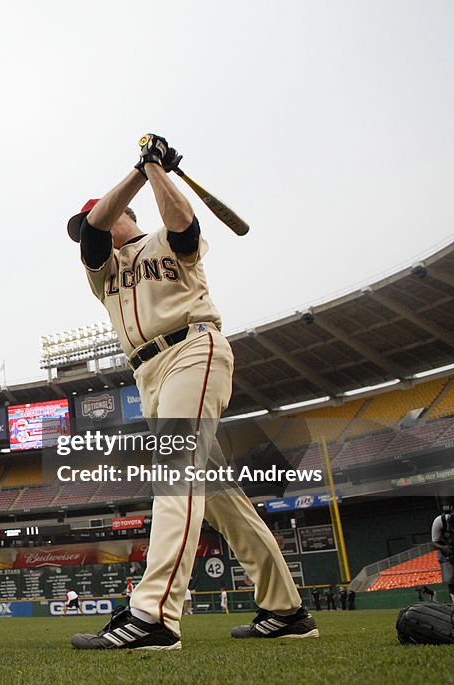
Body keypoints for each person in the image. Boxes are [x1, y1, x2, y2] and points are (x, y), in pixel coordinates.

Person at [67, 135, 317, 650]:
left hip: (192, 350)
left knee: (173, 472)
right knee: (224, 501)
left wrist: (157, 171)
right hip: (149, 376)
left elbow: (183, 221)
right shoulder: (102, 270)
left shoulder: (164, 240)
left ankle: (155, 615)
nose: (86, 233)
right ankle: (285, 609)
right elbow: (93, 230)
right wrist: (143, 167)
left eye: (101, 215)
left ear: (126, 214)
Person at [432, 508, 454, 602]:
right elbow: (434, 542)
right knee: (451, 580)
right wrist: (444, 548)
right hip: (446, 552)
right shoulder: (439, 521)